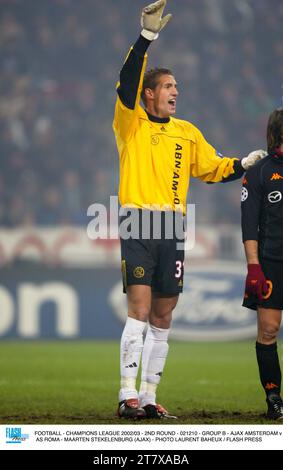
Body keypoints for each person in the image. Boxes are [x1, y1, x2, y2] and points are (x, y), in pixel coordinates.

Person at [113, 0, 266, 420]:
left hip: (173, 228)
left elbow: (213, 169)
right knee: (139, 309)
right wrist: (145, 39)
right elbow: (126, 84)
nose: (175, 91)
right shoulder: (131, 123)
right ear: (149, 94)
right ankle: (126, 394)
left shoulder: (187, 133)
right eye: (167, 86)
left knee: (163, 315)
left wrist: (243, 164)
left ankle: (148, 397)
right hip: (138, 221)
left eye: (176, 86)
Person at [241, 107, 283, 420]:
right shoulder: (258, 172)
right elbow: (248, 225)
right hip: (271, 262)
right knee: (268, 330)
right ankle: (274, 400)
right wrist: (253, 267)